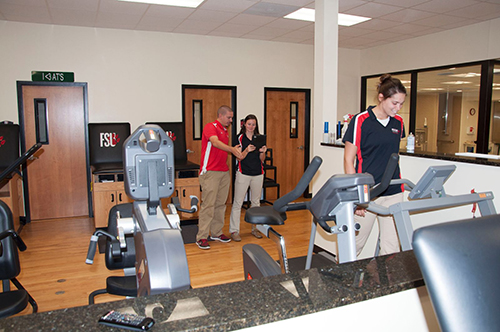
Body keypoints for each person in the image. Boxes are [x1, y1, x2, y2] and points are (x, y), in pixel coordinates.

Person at [342, 74, 407, 257]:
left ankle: (386, 284)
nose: (398, 108)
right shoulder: (361, 120)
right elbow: (349, 160)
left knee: (391, 248)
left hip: (393, 191)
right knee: (354, 245)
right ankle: (339, 282)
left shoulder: (399, 122)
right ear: (381, 97)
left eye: (401, 104)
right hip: (368, 193)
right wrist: (358, 196)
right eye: (394, 103)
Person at [196, 105, 242, 250]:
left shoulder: (225, 130)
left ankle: (216, 232)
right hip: (210, 172)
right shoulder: (211, 126)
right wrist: (232, 150)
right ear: (220, 115)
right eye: (229, 117)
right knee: (208, 205)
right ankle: (202, 237)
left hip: (224, 172)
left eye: (231, 118)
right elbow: (215, 143)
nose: (230, 120)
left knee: (221, 204)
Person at [229, 114, 267, 241]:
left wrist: (263, 152)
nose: (251, 127)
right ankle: (234, 231)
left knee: (256, 203)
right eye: (249, 124)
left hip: (258, 173)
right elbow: (239, 157)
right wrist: (247, 150)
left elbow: (262, 160)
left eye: (254, 124)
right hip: (243, 173)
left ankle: (255, 228)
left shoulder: (260, 138)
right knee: (238, 203)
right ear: (244, 124)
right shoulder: (239, 138)